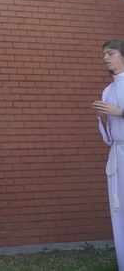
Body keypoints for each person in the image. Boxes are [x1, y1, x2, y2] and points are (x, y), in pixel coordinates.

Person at [92, 39, 124, 270]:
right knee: (119, 209)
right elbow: (110, 134)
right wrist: (104, 118)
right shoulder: (108, 89)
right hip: (118, 154)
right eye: (104, 54)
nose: (105, 58)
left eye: (110, 53)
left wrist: (120, 112)